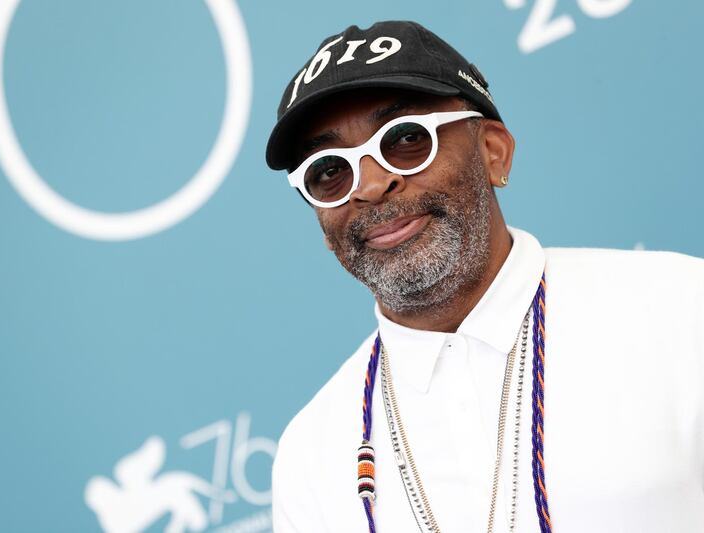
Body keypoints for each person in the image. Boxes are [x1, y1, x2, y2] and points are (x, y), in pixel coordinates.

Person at [264, 20, 704, 533]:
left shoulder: (679, 311)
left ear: (493, 151)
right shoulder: (311, 453)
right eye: (330, 172)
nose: (372, 184)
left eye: (406, 139)